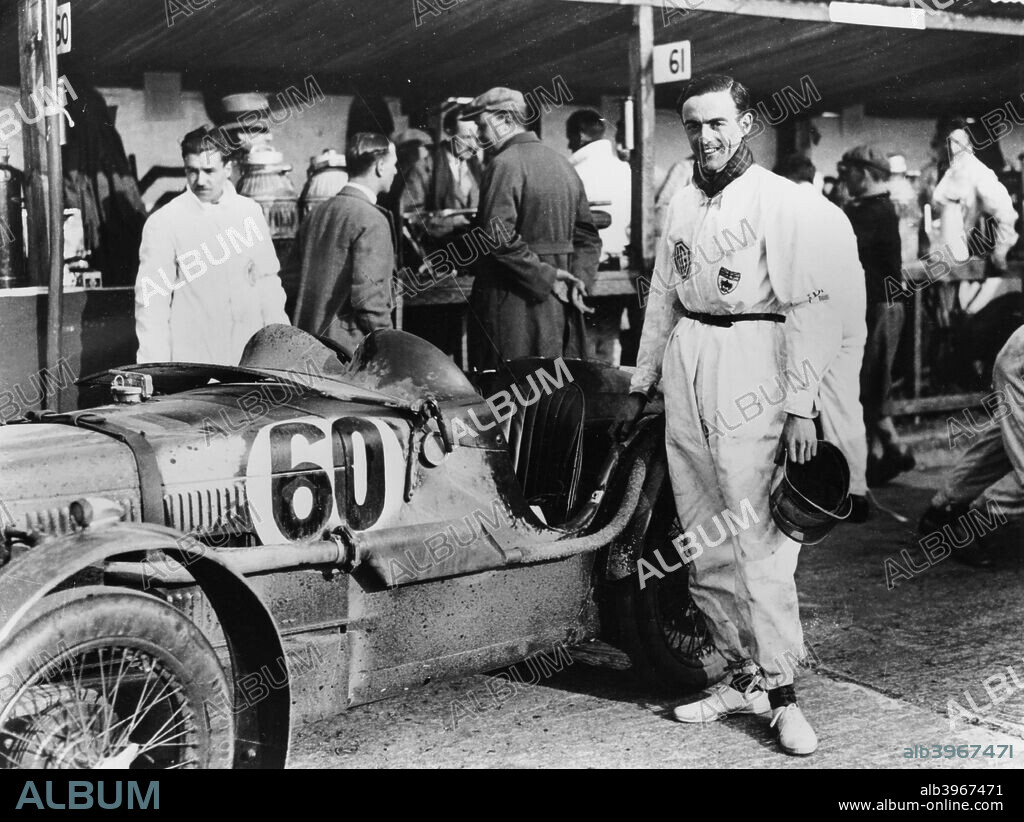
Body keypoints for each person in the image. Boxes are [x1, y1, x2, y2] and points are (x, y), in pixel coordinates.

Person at [612, 74, 846, 756]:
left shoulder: (779, 201)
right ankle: (737, 672)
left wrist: (801, 408)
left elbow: (811, 307)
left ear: (746, 123)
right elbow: (662, 293)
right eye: (693, 126)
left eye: (717, 123)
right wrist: (644, 375)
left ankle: (782, 693)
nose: (705, 137)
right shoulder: (683, 200)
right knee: (701, 532)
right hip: (689, 358)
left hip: (756, 356)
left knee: (760, 539)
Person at [461, 87, 601, 370]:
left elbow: (496, 239)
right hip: (561, 307)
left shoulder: (504, 164)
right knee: (555, 396)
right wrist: (579, 281)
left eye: (480, 124)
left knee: (507, 398)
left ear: (503, 119)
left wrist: (548, 277)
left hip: (511, 307)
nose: (479, 134)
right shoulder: (564, 165)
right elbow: (588, 235)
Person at [134, 125, 288, 365]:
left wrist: (281, 350)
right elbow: (152, 305)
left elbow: (268, 284)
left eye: (209, 170)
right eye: (192, 171)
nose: (200, 180)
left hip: (248, 357)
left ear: (228, 168)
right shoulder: (165, 221)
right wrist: (155, 369)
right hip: (195, 359)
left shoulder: (249, 212)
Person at [838, 145, 916, 487]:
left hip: (881, 306)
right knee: (869, 383)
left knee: (870, 384)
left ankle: (895, 449)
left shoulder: (873, 211)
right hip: (879, 304)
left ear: (865, 173)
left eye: (849, 172)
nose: (845, 179)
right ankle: (874, 458)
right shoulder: (873, 209)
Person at [920, 326, 1024, 566]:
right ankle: (971, 522)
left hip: (1015, 357)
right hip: (1018, 364)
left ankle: (943, 508)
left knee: (1001, 442)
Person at [288, 133, 398, 358]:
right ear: (379, 166)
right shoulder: (372, 219)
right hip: (348, 352)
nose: (396, 171)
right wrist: (389, 348)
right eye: (394, 165)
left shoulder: (317, 213)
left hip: (306, 346)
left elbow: (289, 281)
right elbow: (370, 300)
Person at [566, 108, 632, 365]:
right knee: (609, 335)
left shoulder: (575, 174)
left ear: (580, 135)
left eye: (570, 136)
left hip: (585, 266)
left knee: (584, 342)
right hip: (620, 269)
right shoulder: (625, 170)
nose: (569, 143)